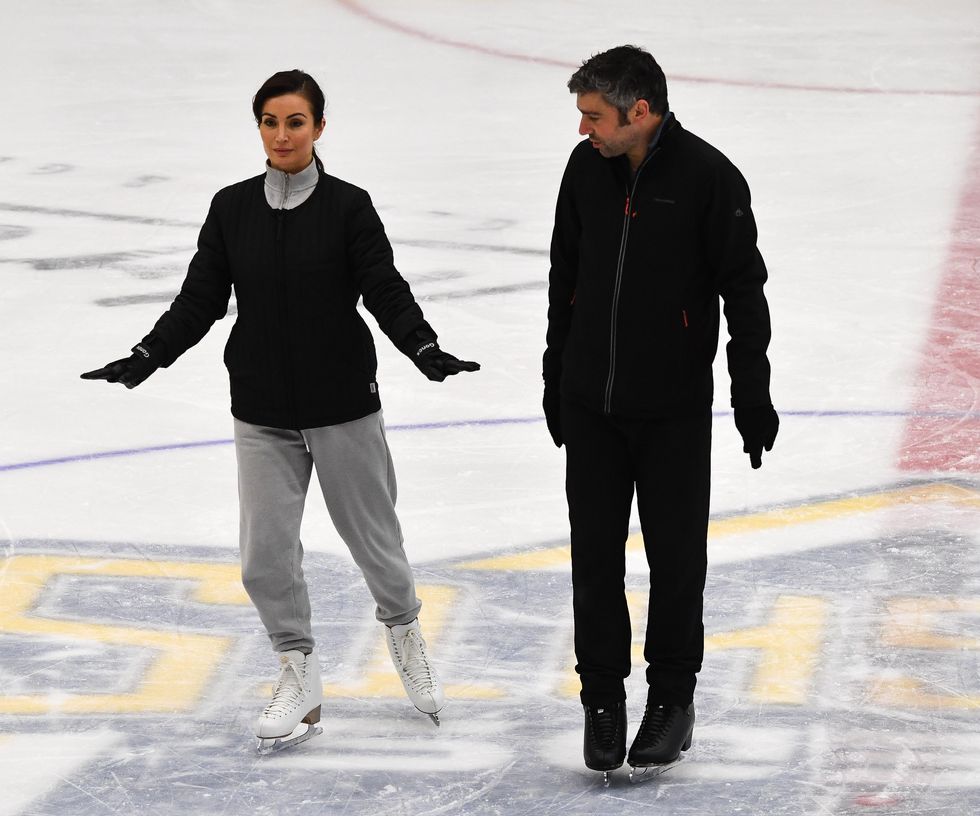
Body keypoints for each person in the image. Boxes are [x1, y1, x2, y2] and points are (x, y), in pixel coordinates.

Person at [82, 69, 479, 751]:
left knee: (375, 547)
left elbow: (382, 285)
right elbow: (200, 298)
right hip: (261, 409)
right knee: (263, 558)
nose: (282, 134)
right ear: (259, 128)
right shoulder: (232, 208)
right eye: (270, 121)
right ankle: (299, 673)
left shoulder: (349, 207)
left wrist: (423, 345)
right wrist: (148, 354)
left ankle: (405, 634)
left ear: (319, 128)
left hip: (342, 405)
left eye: (296, 121)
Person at [542, 46, 778, 777]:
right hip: (592, 409)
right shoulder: (586, 172)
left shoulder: (708, 178)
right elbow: (565, 278)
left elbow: (744, 292)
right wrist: (556, 379)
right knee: (593, 561)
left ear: (639, 111)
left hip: (674, 410)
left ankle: (672, 699)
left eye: (594, 116)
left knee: (677, 564)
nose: (584, 131)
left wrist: (750, 390)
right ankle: (603, 698)